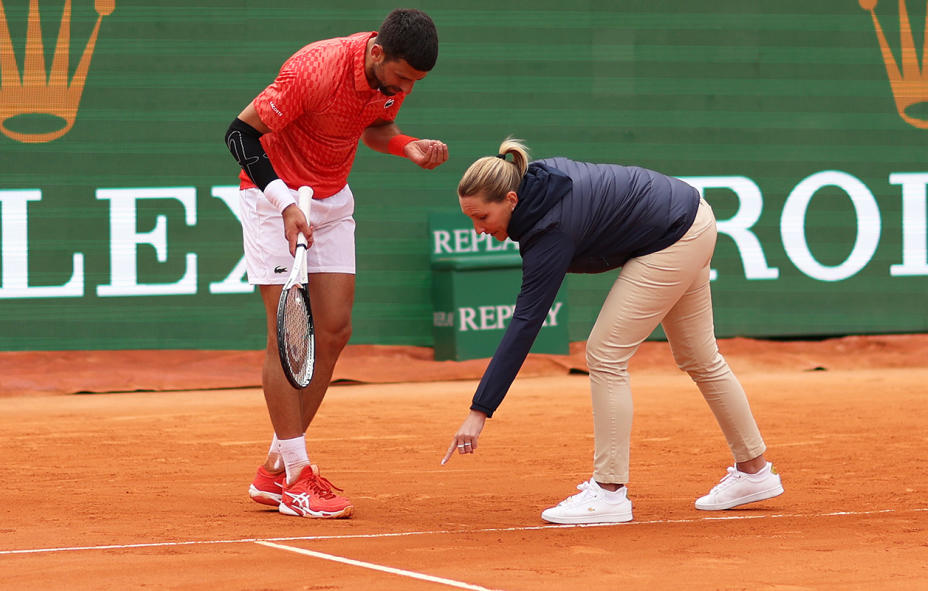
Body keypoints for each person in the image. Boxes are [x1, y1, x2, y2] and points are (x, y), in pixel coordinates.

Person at [441, 138, 783, 524]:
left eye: (483, 218)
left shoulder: (550, 227)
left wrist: (479, 411)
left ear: (511, 199)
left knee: (605, 354)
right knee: (699, 356)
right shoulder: (537, 185)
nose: (478, 229)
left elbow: (526, 323)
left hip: (675, 233)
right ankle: (755, 471)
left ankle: (609, 491)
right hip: (691, 216)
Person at [224, 9, 448, 519]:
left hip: (330, 200)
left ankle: (273, 472)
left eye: (415, 81)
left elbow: (375, 127)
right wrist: (284, 202)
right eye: (402, 76)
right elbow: (239, 135)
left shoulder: (392, 76)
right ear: (376, 53)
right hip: (273, 200)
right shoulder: (315, 69)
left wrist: (406, 146)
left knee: (333, 329)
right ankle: (300, 476)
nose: (406, 86)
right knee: (285, 337)